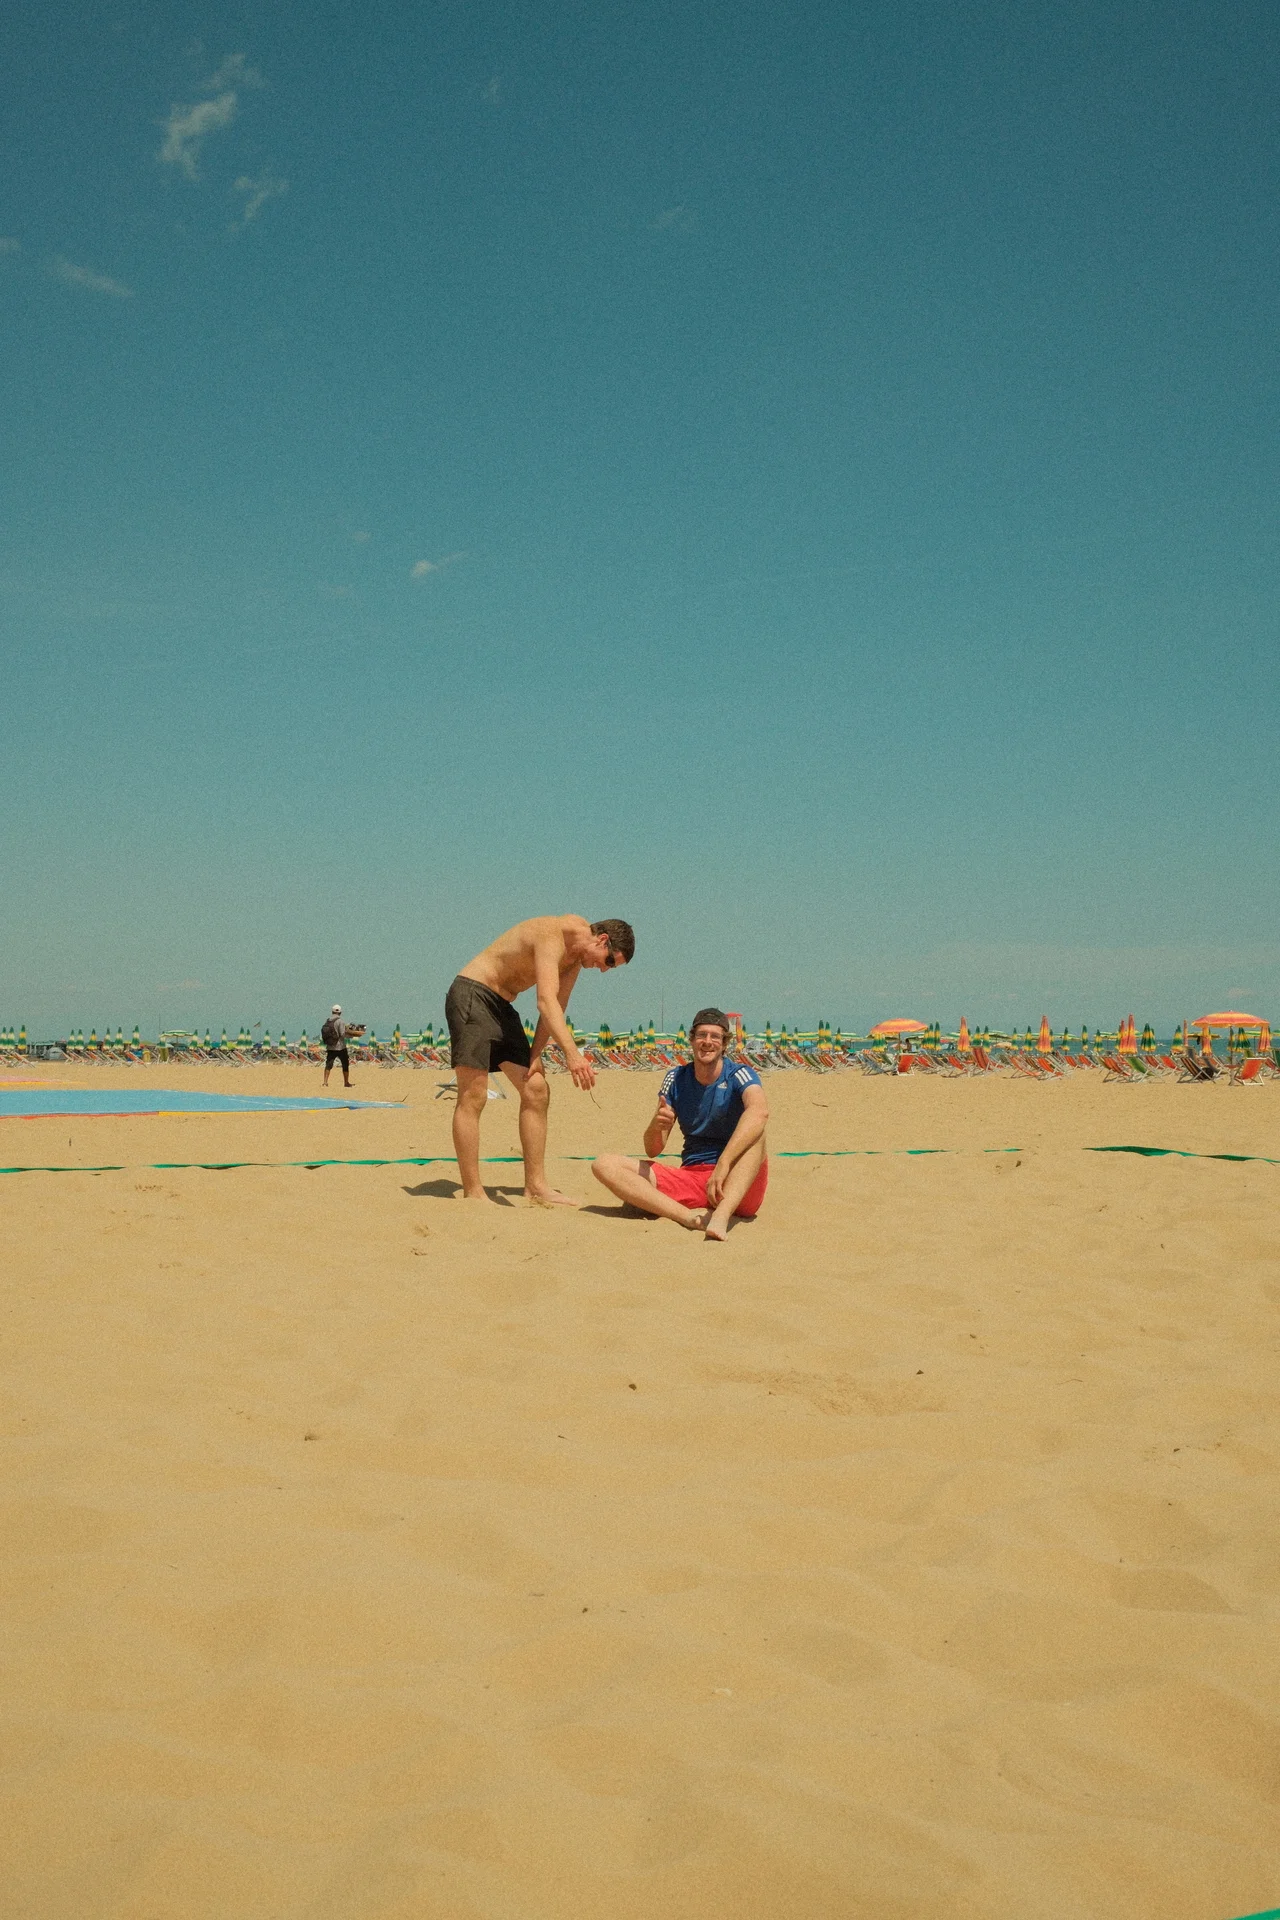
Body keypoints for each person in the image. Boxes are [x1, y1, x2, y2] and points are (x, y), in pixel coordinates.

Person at [445, 915, 634, 1205]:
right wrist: (573, 1055)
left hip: (502, 1006)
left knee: (536, 1089)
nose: (604, 970)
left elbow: (557, 1005)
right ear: (602, 939)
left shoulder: (575, 958)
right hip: (473, 992)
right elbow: (545, 1001)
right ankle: (474, 1192)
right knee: (474, 1094)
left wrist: (535, 1054)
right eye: (609, 961)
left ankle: (535, 1186)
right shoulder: (552, 933)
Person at [591, 1006, 768, 1240]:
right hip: (693, 1179)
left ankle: (721, 1215)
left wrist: (724, 1164)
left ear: (724, 1044)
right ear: (692, 1040)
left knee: (758, 1131)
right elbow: (653, 1149)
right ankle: (687, 1218)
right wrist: (657, 1125)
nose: (707, 1042)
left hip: (737, 1181)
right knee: (604, 1164)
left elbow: (759, 1110)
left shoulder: (739, 1074)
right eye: (702, 1035)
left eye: (715, 1036)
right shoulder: (675, 1078)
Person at [321, 1004, 365, 1088]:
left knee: (328, 1064)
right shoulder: (340, 1021)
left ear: (332, 1011)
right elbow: (342, 1034)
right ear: (340, 1012)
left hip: (330, 1046)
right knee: (345, 1064)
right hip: (340, 1047)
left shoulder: (328, 1020)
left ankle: (325, 1082)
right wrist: (355, 1034)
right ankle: (346, 1083)